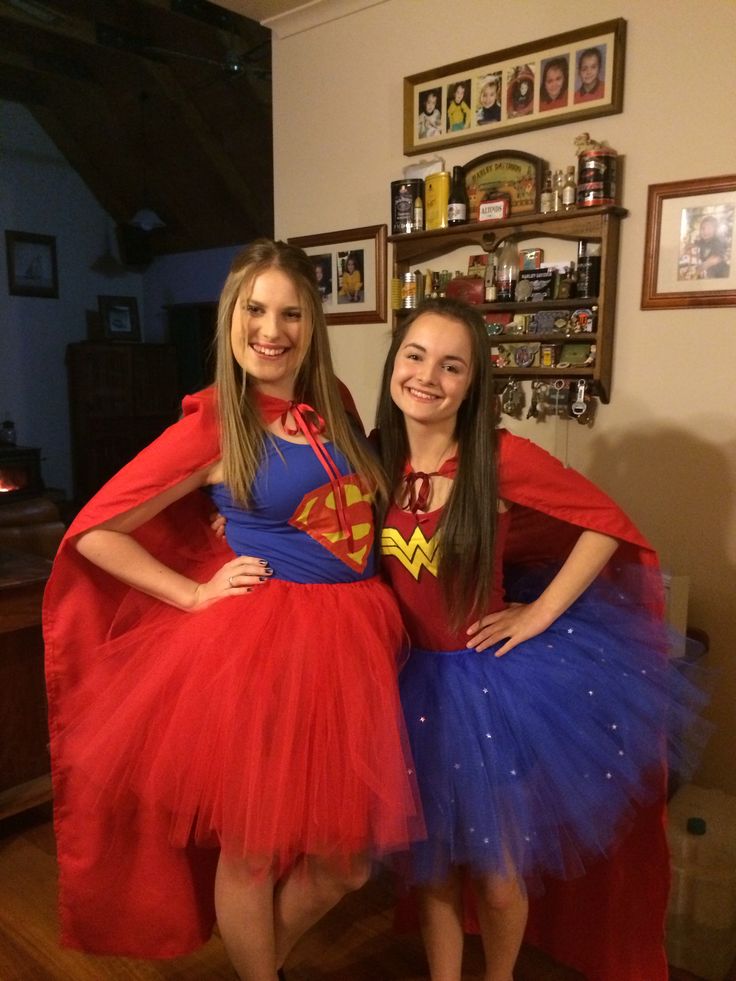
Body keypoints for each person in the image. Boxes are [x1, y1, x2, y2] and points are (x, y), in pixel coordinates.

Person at [43, 239, 422, 981]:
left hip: (353, 639)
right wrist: (193, 591)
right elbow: (95, 530)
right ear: (231, 318)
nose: (270, 329)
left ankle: (261, 961)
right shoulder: (216, 425)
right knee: (250, 849)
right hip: (264, 641)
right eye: (254, 309)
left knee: (345, 863)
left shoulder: (335, 404)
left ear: (312, 323)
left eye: (288, 312)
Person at [375, 297, 708, 981]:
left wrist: (539, 613)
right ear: (393, 363)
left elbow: (605, 523)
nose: (427, 377)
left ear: (473, 384)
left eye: (451, 365)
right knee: (434, 866)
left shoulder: (500, 456)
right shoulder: (375, 460)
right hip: (403, 685)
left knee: (497, 873)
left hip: (487, 689)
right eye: (415, 355)